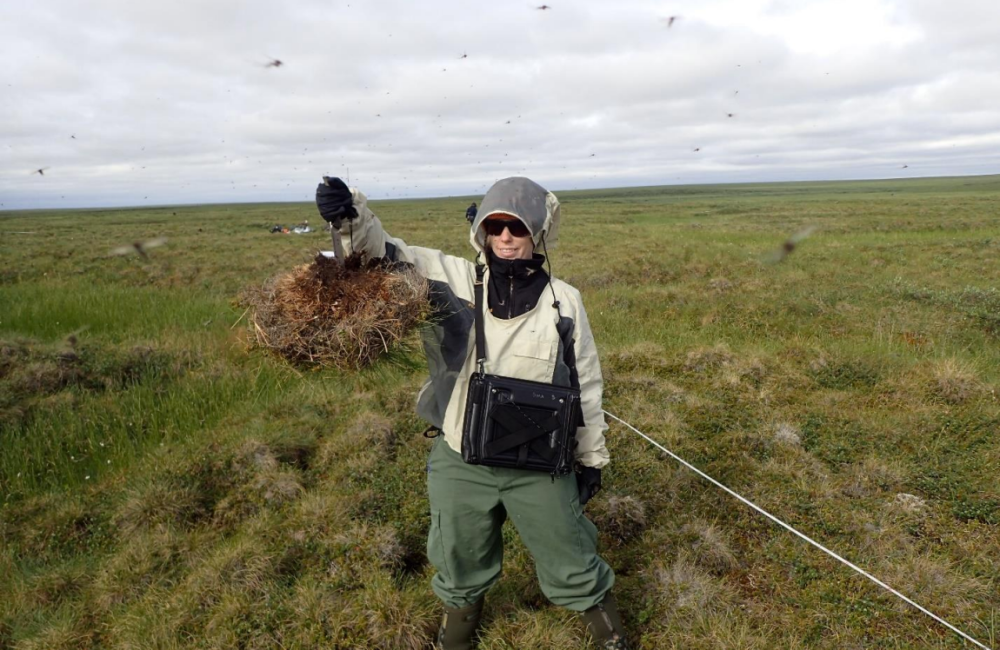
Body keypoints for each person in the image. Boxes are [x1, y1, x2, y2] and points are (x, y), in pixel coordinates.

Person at [316, 176, 628, 650]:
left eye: (517, 228)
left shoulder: (564, 301)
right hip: (461, 457)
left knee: (572, 557)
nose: (505, 237)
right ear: (482, 231)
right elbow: (386, 254)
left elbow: (586, 385)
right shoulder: (455, 280)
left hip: (539, 463)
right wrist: (350, 216)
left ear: (539, 233)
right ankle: (456, 639)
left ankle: (612, 640)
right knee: (458, 557)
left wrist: (591, 460)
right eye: (495, 225)